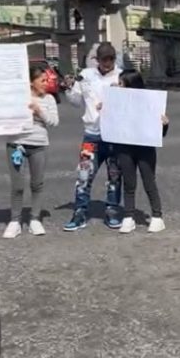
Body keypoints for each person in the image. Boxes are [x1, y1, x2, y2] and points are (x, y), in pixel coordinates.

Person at [62, 42, 123, 231]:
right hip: (91, 135)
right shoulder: (86, 76)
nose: (107, 62)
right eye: (104, 59)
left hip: (114, 134)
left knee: (114, 175)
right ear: (97, 59)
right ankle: (80, 212)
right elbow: (75, 102)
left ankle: (112, 209)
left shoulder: (121, 75)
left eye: (111, 58)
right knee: (83, 174)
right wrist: (69, 88)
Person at [3, 63, 59, 239]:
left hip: (38, 144)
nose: (45, 83)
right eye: (42, 80)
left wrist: (39, 111)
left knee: (37, 184)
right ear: (31, 82)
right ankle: (15, 221)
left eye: (46, 80)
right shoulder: (17, 97)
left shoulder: (49, 99)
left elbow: (54, 122)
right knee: (17, 185)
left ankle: (35, 219)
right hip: (16, 144)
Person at [115, 70, 168, 234]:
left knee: (148, 181)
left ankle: (157, 216)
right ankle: (128, 216)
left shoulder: (150, 102)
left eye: (121, 83)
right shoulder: (117, 101)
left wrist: (165, 124)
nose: (118, 86)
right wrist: (105, 109)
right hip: (124, 147)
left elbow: (160, 133)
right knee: (128, 183)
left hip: (145, 147)